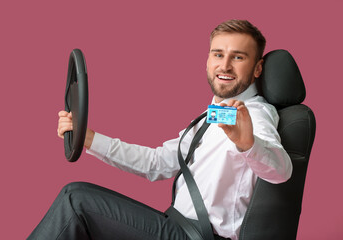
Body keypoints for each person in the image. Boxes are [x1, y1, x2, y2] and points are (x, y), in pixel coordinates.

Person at [28, 19, 292, 240]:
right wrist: (89, 138)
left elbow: (281, 170)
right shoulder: (213, 115)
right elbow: (157, 162)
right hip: (174, 225)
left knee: (76, 200)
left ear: (257, 68)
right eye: (218, 54)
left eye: (238, 57)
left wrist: (248, 144)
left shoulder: (254, 115)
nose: (224, 65)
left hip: (194, 236)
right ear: (208, 60)